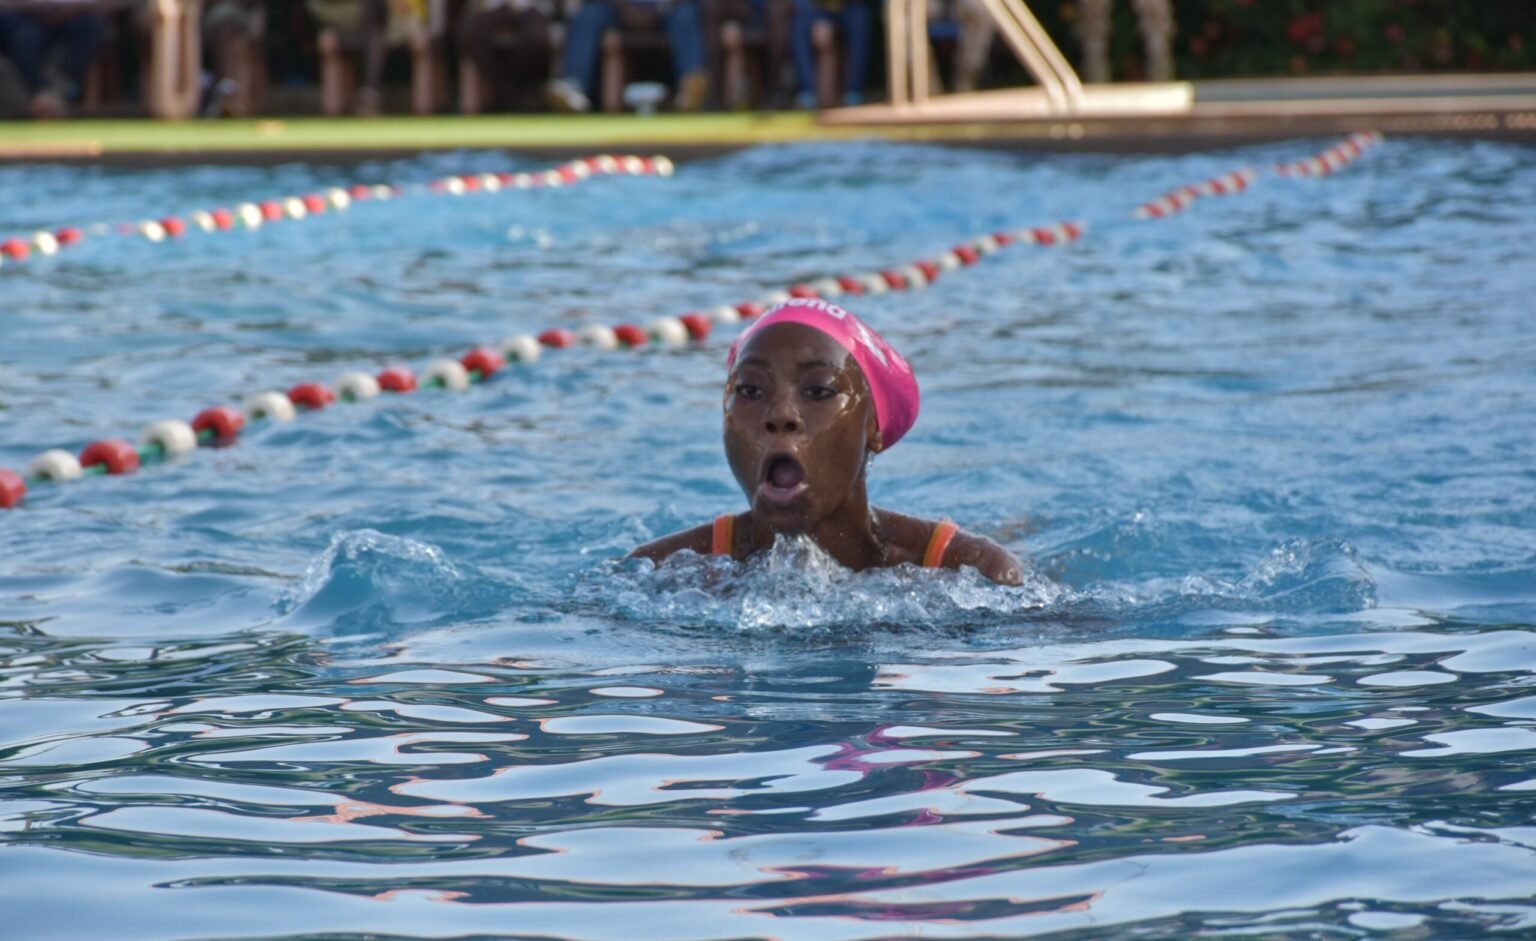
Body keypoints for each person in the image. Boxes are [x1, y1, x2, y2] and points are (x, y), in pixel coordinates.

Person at [630, 300, 1024, 585]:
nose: (780, 414)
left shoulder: (970, 571)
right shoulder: (662, 571)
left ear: (873, 427)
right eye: (749, 389)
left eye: (818, 390)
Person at [545, 0, 707, 113]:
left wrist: (662, 7)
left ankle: (691, 85)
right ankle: (574, 88)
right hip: (617, 8)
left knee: (685, 14)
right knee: (587, 15)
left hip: (666, 9)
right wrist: (625, 7)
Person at [0, 0, 109, 118]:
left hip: (73, 15)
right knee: (25, 38)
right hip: (27, 16)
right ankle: (39, 93)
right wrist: (38, 10)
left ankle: (64, 88)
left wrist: (68, 10)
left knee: (90, 25)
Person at [788, 0, 867, 108]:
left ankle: (854, 91)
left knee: (860, 18)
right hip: (815, 8)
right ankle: (807, 91)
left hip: (848, 7)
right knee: (799, 23)